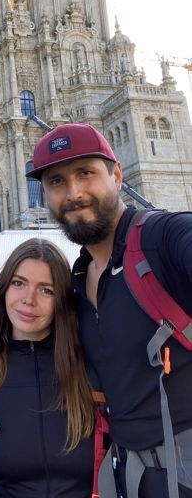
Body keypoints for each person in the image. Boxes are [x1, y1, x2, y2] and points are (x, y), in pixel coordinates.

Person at [26, 122, 192, 498]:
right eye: (56, 182)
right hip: (132, 480)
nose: (74, 193)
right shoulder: (78, 282)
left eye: (86, 172)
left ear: (117, 174)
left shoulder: (164, 239)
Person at [0, 238, 95, 497]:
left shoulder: (91, 366)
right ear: (4, 289)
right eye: (19, 283)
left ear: (63, 300)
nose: (28, 299)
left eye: (46, 290)